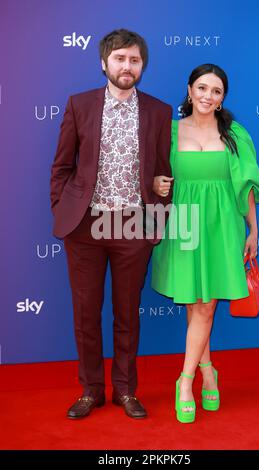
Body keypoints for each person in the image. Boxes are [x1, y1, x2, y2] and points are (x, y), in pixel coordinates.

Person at [50, 29, 172, 420]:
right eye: (120, 59)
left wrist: (159, 201)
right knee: (86, 314)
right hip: (85, 227)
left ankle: (125, 390)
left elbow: (163, 175)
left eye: (134, 60)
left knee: (126, 313)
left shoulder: (158, 111)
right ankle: (90, 390)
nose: (127, 66)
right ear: (104, 62)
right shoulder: (80, 105)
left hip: (134, 226)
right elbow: (62, 168)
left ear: (142, 66)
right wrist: (63, 211)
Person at [152, 64, 259, 423]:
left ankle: (185, 381)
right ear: (189, 90)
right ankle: (209, 371)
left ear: (222, 99)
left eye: (216, 91)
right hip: (184, 223)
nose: (208, 96)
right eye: (202, 88)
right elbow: (155, 177)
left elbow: (246, 187)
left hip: (222, 226)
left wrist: (253, 230)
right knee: (194, 305)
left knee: (205, 305)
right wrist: (158, 184)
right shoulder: (169, 132)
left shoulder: (235, 134)